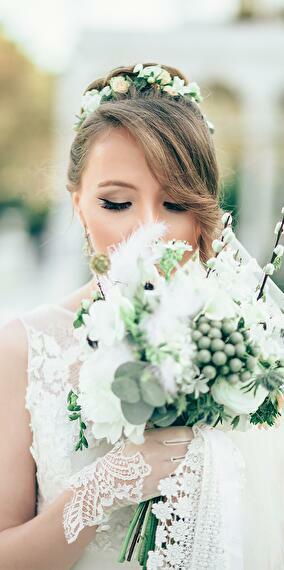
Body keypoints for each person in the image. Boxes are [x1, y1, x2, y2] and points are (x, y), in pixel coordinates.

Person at [0, 62, 283, 570]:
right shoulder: (22, 348)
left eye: (174, 203)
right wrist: (102, 489)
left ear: (205, 215)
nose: (147, 231)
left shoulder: (246, 338)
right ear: (79, 205)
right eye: (116, 202)